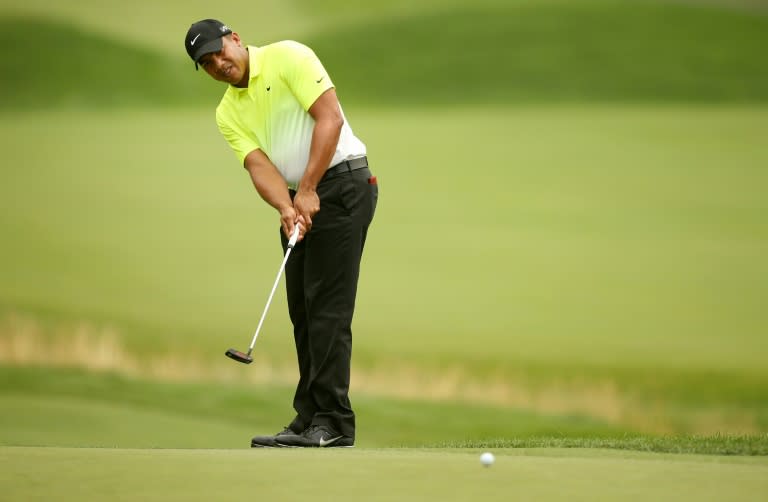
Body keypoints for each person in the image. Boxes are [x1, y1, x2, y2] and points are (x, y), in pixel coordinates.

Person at [184, 19, 377, 448]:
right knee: (304, 312)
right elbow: (259, 166)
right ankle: (310, 417)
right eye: (207, 63)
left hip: (343, 185)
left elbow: (329, 118)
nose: (218, 63)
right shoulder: (227, 112)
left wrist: (307, 189)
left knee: (327, 309)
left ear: (235, 39)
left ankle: (334, 422)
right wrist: (286, 206)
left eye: (219, 51)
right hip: (299, 197)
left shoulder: (288, 56)